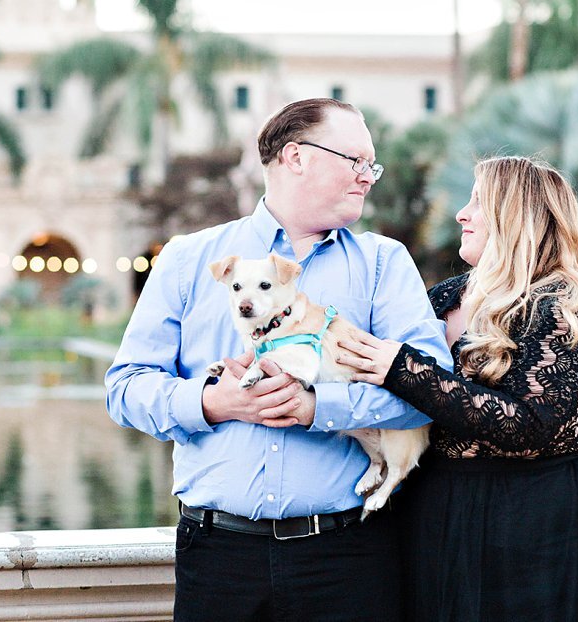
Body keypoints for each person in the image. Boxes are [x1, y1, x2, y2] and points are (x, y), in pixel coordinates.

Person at [105, 97, 450, 622]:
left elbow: (433, 389)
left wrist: (318, 407)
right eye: (356, 161)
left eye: (370, 166)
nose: (367, 177)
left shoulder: (384, 264)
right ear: (296, 157)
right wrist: (211, 402)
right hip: (217, 556)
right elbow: (125, 389)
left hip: (348, 555)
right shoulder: (188, 260)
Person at [337, 155, 578, 621]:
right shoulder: (442, 298)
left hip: (550, 523)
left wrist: (402, 368)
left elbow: (529, 426)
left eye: (478, 203)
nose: (461, 214)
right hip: (446, 514)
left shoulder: (557, 303)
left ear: (517, 216)